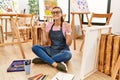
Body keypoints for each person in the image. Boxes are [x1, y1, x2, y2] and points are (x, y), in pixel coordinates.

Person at [32, 6, 72, 72]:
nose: (55, 14)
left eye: (57, 12)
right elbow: (46, 43)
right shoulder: (49, 25)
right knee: (35, 47)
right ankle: (55, 63)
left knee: (68, 54)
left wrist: (68, 32)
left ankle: (44, 60)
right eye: (53, 12)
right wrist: (44, 31)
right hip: (51, 50)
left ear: (61, 14)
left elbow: (68, 43)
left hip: (62, 51)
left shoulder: (65, 25)